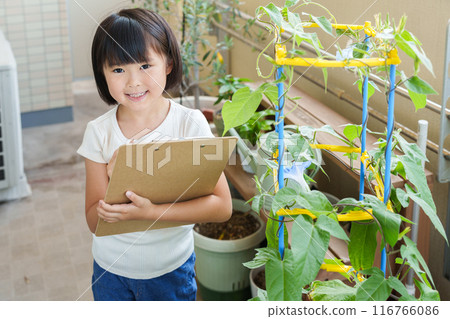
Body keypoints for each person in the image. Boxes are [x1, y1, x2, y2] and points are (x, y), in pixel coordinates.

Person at [77, 8, 232, 301]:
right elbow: (94, 222)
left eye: (146, 65)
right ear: (103, 74)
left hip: (171, 272)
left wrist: (151, 213)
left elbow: (222, 207)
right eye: (119, 69)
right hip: (111, 274)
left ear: (169, 64)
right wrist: (117, 182)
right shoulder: (98, 133)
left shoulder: (190, 124)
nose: (133, 82)